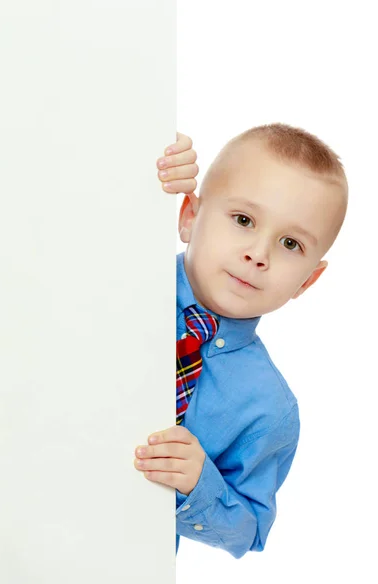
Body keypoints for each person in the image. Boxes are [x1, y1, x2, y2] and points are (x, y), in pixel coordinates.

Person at [134, 125, 348, 558]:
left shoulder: (270, 408)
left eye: (290, 243)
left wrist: (199, 484)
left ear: (307, 279)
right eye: (244, 220)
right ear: (189, 216)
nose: (258, 253)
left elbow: (248, 531)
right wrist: (145, 153)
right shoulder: (121, 271)